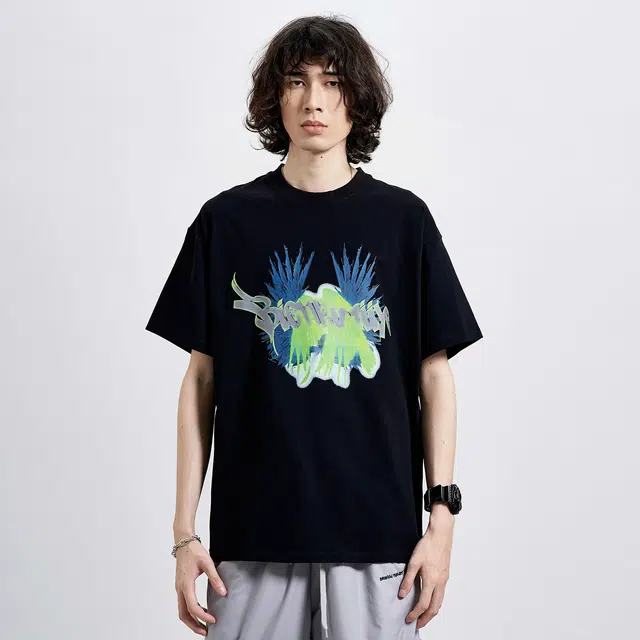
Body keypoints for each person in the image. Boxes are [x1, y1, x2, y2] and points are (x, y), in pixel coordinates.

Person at [145, 14, 483, 640]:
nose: (314, 100)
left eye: (332, 82)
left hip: (380, 540)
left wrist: (442, 524)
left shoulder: (404, 222)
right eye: (297, 81)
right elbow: (200, 381)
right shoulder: (226, 222)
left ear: (358, 97)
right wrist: (184, 534)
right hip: (252, 537)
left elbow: (435, 378)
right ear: (275, 97)